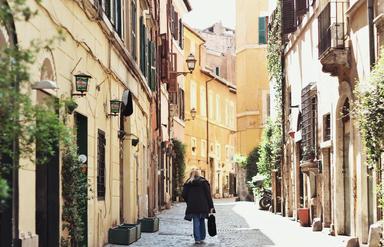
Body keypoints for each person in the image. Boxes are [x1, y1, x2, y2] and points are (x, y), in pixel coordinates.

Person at [182, 169, 215, 245]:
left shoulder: (188, 183)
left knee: (196, 221)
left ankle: (197, 239)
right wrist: (211, 206)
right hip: (203, 205)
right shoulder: (204, 182)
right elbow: (208, 196)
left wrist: (189, 201)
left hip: (193, 206)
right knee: (202, 221)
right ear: (199, 174)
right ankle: (202, 238)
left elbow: (183, 195)